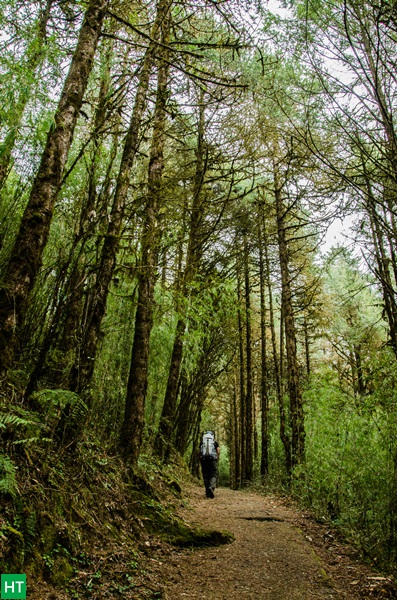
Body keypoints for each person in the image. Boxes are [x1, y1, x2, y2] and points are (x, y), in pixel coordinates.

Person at [199, 431, 220, 499]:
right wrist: (217, 458)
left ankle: (207, 492)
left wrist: (200, 459)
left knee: (205, 475)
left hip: (204, 460)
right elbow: (218, 451)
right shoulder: (214, 442)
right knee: (213, 474)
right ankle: (211, 487)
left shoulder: (202, 442)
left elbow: (199, 451)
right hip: (212, 460)